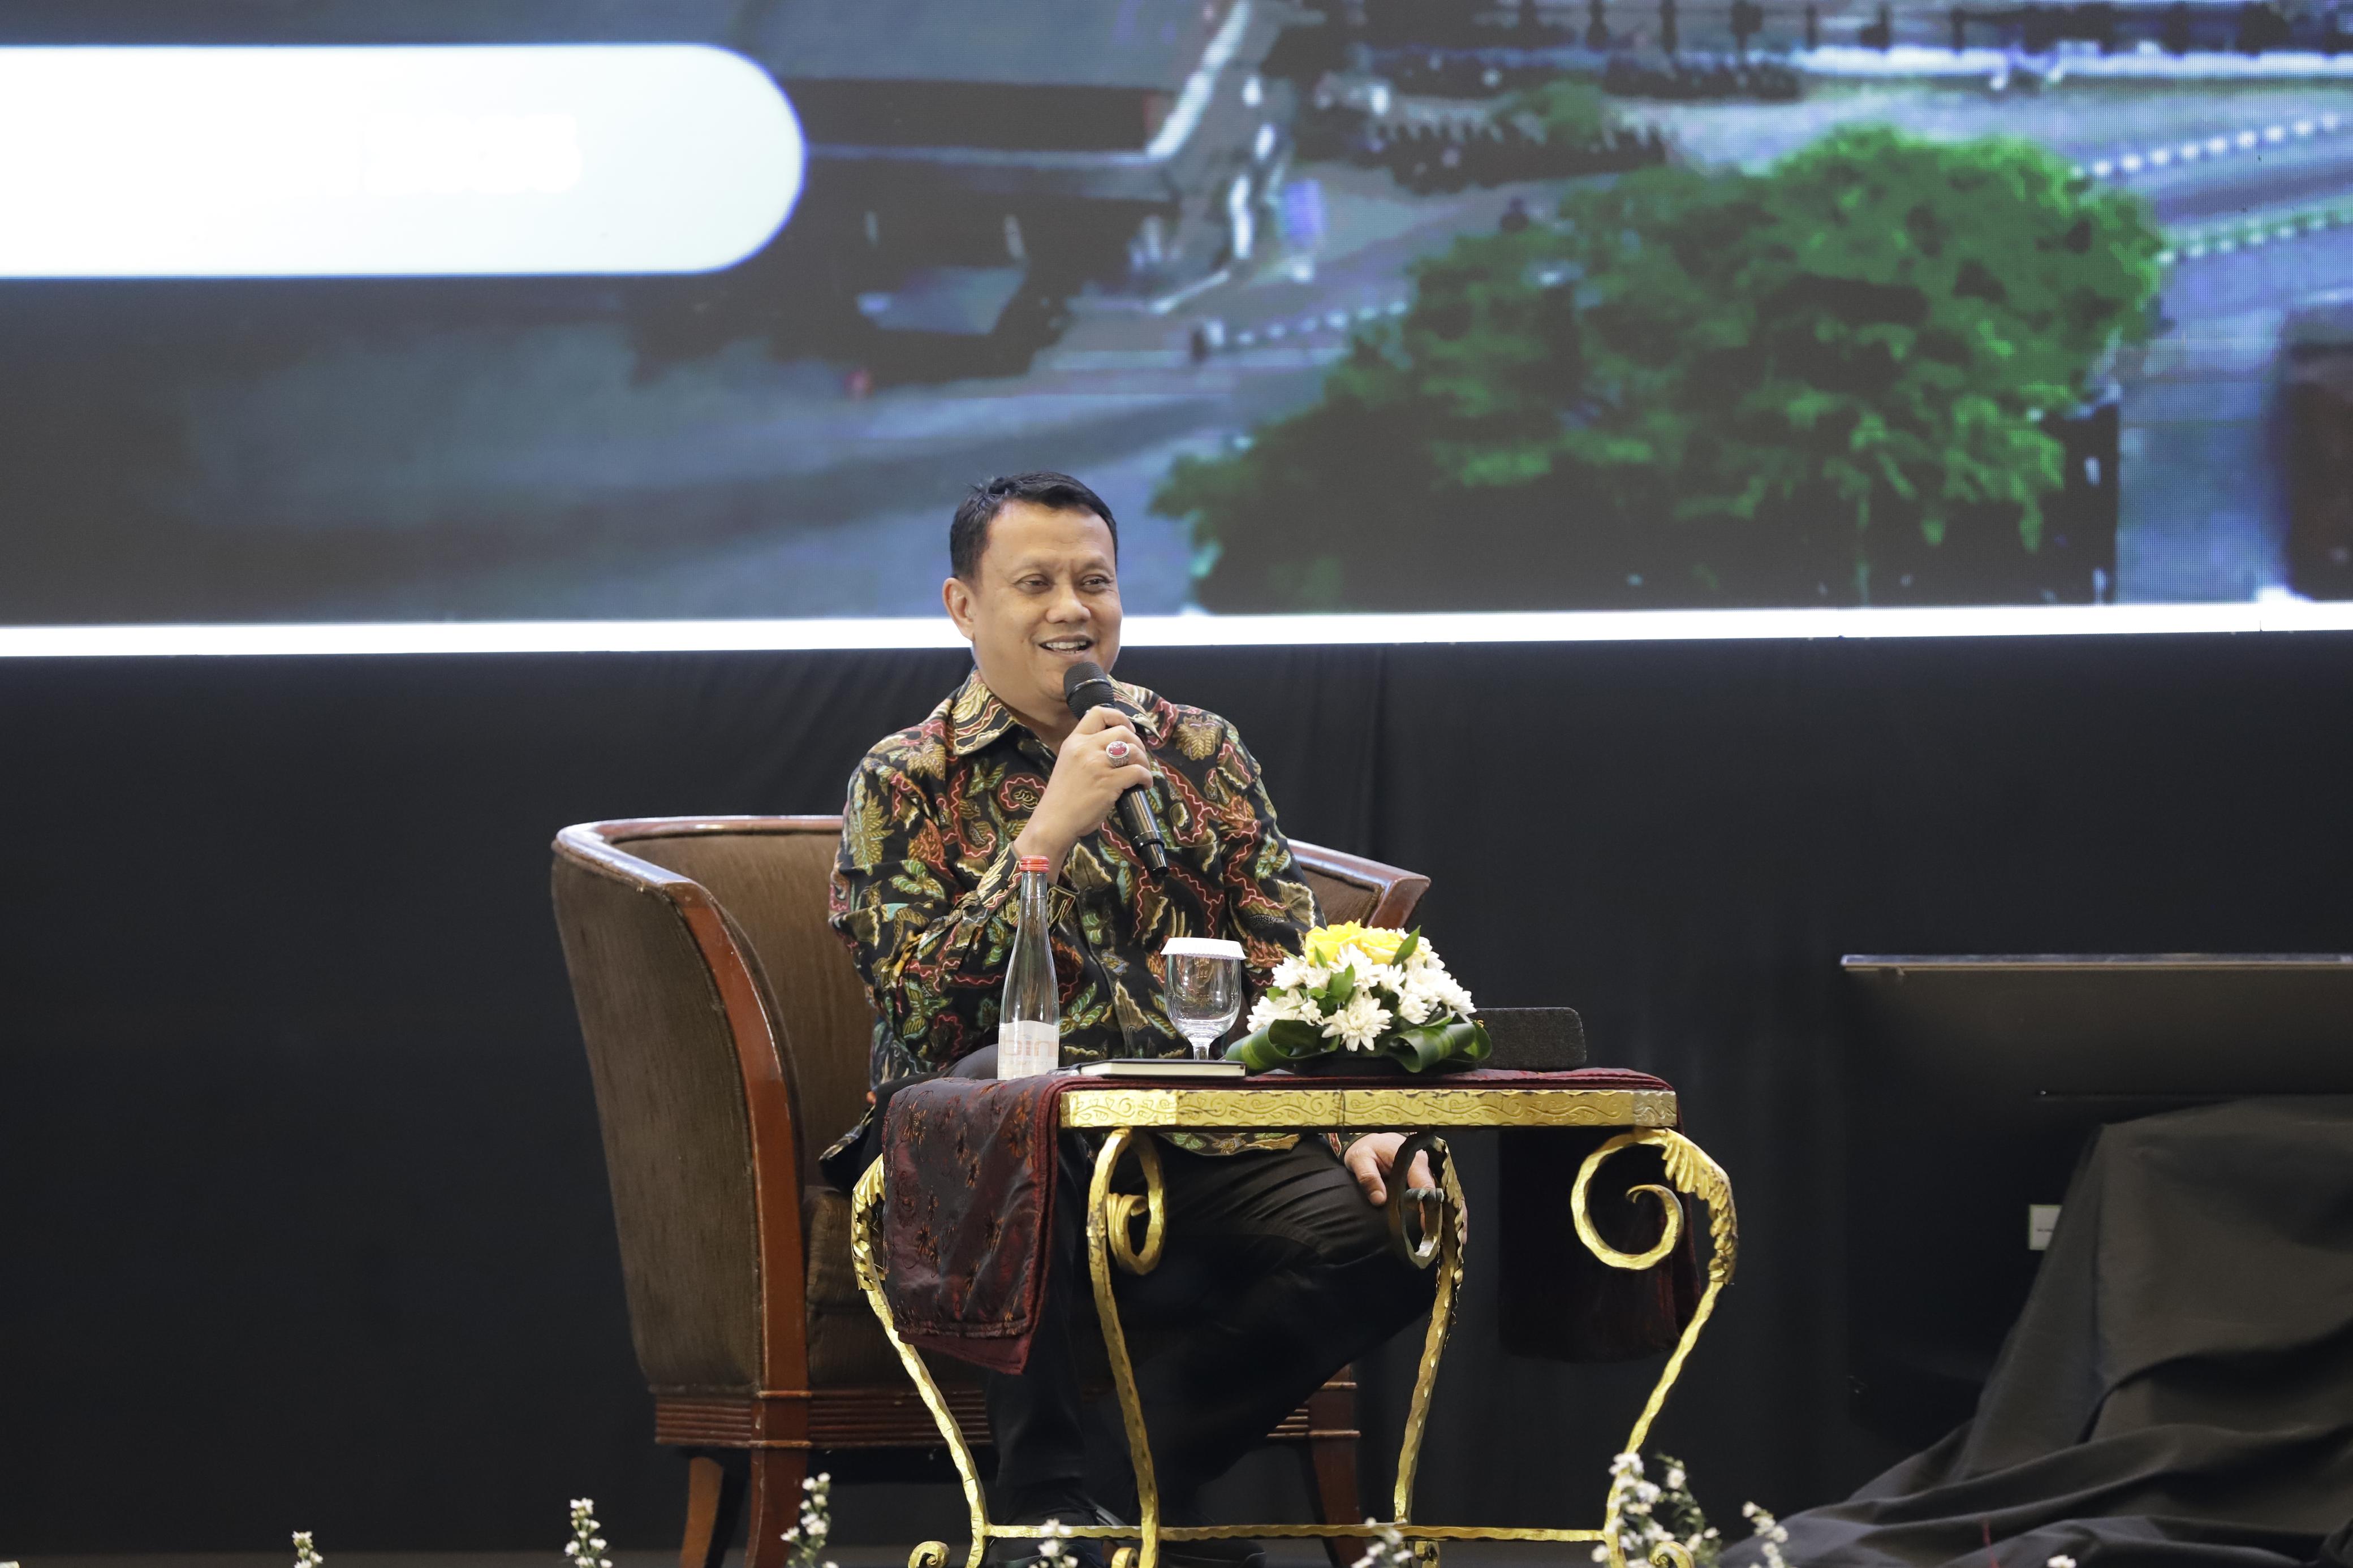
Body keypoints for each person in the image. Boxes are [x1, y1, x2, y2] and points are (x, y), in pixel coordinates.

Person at [829, 472, 1438, 1568]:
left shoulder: (1197, 751)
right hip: (980, 1147)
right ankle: (1046, 1482)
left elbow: (1290, 967)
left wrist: (1360, 1122)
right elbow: (918, 1007)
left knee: (1397, 1229)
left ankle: (1095, 1494)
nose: (1073, 608)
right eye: (1037, 582)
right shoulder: (904, 779)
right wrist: (1046, 836)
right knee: (1014, 1099)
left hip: (1191, 1134)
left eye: (1094, 581)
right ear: (963, 606)